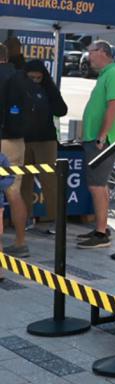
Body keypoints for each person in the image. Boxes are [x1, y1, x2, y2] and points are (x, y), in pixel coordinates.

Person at [78, 40, 115, 249]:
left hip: (103, 141)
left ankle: (100, 234)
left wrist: (102, 135)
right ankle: (102, 227)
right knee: (100, 184)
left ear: (103, 52)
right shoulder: (106, 74)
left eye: (90, 52)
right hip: (98, 139)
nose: (88, 56)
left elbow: (113, 106)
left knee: (96, 185)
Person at [21, 61, 66, 235]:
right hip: (24, 140)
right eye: (31, 78)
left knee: (50, 182)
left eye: (38, 78)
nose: (34, 81)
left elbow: (61, 110)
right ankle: (26, 217)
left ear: (43, 77)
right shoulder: (19, 89)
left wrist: (46, 97)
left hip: (45, 140)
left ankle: (56, 220)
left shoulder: (48, 88)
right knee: (24, 181)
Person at [0, 46, 29, 255]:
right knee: (14, 193)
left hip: (1, 141)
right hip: (18, 141)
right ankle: (20, 242)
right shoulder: (21, 77)